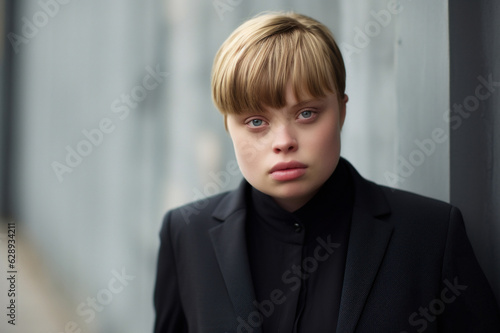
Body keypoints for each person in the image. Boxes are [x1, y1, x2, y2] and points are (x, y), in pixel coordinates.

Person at [153, 12, 500, 333]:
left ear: (341, 111)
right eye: (256, 122)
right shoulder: (185, 234)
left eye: (306, 114)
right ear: (228, 127)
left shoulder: (430, 234)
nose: (284, 142)